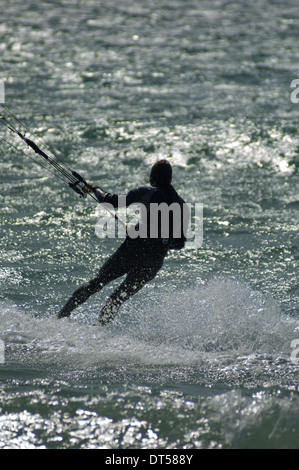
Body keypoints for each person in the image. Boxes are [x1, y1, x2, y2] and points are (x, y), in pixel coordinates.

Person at [57, 160, 189, 325]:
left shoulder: (147, 193)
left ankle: (60, 318)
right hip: (153, 262)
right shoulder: (182, 206)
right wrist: (160, 240)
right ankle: (98, 331)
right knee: (116, 300)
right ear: (170, 179)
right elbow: (180, 243)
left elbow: (109, 201)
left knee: (97, 283)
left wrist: (94, 188)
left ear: (153, 179)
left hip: (133, 252)